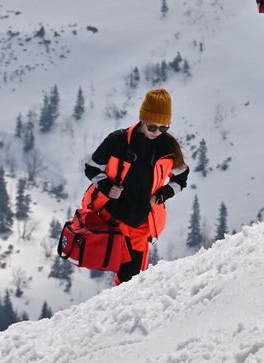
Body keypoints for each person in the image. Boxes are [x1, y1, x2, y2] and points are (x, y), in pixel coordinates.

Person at [81, 88, 189, 283]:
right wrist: (107, 187)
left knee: (133, 281)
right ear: (142, 119)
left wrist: (159, 197)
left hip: (142, 224)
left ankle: (124, 311)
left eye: (163, 128)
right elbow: (91, 168)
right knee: (121, 275)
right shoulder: (118, 141)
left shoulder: (168, 148)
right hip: (113, 218)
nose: (157, 132)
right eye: (152, 127)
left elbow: (181, 180)